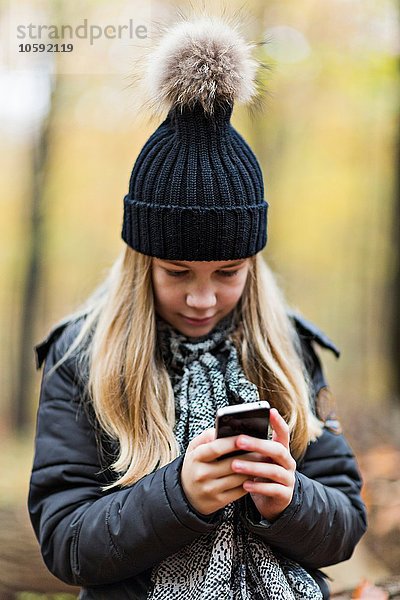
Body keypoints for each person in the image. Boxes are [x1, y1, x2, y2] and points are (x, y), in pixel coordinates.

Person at [28, 15, 367, 600]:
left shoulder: (288, 350)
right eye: (178, 273)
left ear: (252, 267)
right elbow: (66, 541)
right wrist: (177, 497)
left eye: (228, 274)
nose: (203, 297)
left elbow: (344, 525)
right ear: (142, 263)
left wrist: (289, 498)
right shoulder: (82, 357)